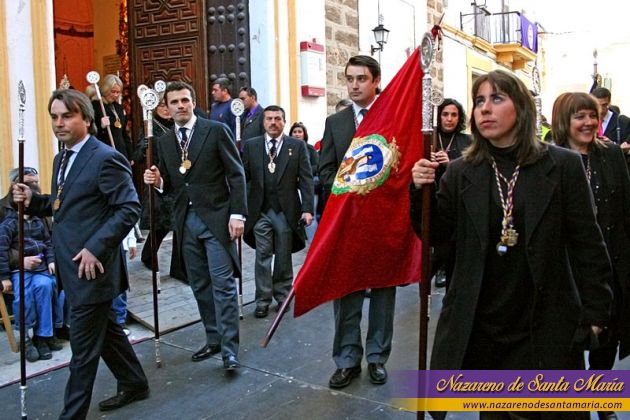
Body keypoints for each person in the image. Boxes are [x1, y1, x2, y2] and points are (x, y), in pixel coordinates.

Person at [410, 70, 613, 419]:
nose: (484, 109)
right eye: (479, 101)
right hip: (486, 329)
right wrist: (419, 192)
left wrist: (595, 317)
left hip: (544, 326)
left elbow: (587, 244)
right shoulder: (461, 172)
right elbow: (439, 235)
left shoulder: (562, 166)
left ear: (520, 107)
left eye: (496, 99)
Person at [12, 89, 148, 418]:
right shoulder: (63, 157)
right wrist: (33, 200)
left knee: (83, 352)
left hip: (93, 269)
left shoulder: (105, 157)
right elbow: (65, 205)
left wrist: (95, 247)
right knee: (109, 333)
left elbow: (129, 208)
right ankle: (134, 382)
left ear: (86, 119)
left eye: (67, 116)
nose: (59, 123)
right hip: (70, 265)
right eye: (54, 117)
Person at [143, 81, 246, 371]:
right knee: (199, 284)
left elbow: (236, 175)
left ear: (193, 101)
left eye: (185, 100)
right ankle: (213, 338)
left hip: (216, 220)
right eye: (174, 102)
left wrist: (237, 214)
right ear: (166, 108)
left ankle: (229, 350)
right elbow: (175, 184)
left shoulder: (215, 131)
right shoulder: (163, 142)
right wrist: (158, 182)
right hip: (185, 223)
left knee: (222, 285)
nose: (180, 106)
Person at [552, 92, 630, 420]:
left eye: (592, 116)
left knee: (608, 334)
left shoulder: (610, 154)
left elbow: (626, 206)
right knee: (568, 336)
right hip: (566, 267)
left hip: (610, 261)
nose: (588, 123)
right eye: (579, 117)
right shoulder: (549, 159)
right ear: (563, 122)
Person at [318, 55, 394, 389]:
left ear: (376, 80)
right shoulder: (335, 123)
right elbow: (324, 171)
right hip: (346, 225)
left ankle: (377, 358)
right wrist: (351, 181)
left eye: (361, 79)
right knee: (345, 291)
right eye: (349, 79)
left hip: (382, 222)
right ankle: (347, 359)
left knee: (381, 292)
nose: (354, 85)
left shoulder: (391, 117)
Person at [242, 106, 314, 318]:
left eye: (278, 119)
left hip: (285, 211)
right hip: (260, 211)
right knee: (262, 255)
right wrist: (240, 208)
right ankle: (262, 300)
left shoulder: (297, 146)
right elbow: (243, 177)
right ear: (263, 122)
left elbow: (306, 179)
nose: (273, 122)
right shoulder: (252, 146)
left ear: (284, 121)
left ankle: (283, 296)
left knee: (283, 255)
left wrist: (308, 209)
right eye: (269, 119)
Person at [0, 171, 64, 362]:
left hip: (42, 267)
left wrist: (51, 260)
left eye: (36, 183)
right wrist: (20, 261)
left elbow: (49, 240)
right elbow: (1, 247)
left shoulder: (39, 214)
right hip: (17, 270)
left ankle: (44, 334)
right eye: (29, 183)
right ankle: (26, 337)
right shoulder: (6, 216)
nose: (34, 187)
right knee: (26, 294)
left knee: (46, 286)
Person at [132, 99, 186, 281]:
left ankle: (179, 268)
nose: (165, 110)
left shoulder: (178, 125)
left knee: (178, 223)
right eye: (161, 106)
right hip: (158, 179)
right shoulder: (150, 126)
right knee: (160, 225)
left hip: (177, 178)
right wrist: (146, 145)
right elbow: (139, 155)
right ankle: (148, 254)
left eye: (166, 106)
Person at [431, 98, 472, 288]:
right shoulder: (429, 136)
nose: (449, 119)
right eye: (445, 114)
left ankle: (443, 270)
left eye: (454, 115)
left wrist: (451, 162)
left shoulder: (466, 141)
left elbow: (470, 168)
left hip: (455, 197)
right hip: (432, 193)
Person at [92, 74, 133, 161]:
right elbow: (90, 133)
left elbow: (124, 134)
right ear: (105, 90)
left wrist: (129, 155)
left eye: (118, 92)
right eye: (113, 91)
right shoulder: (95, 106)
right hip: (104, 152)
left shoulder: (118, 107)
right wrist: (101, 127)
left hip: (121, 152)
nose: (115, 95)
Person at [289, 121, 320, 232]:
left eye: (299, 132)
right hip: (291, 187)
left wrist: (302, 173)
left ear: (304, 134)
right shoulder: (287, 148)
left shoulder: (310, 149)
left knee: (309, 214)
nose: (297, 134)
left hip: (306, 186)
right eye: (294, 132)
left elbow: (317, 166)